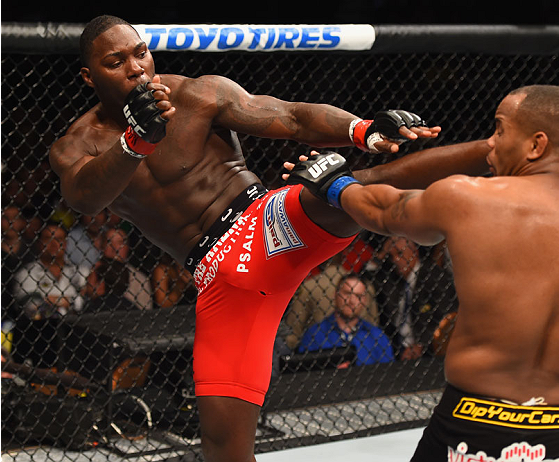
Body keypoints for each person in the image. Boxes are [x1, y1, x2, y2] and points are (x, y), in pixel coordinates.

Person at [48, 14, 492, 462]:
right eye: (115, 61)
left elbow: (290, 116)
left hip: (260, 220)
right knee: (223, 450)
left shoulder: (195, 94)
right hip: (217, 278)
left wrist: (360, 129)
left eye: (140, 52)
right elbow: (84, 196)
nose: (135, 68)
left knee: (352, 188)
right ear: (89, 76)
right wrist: (134, 142)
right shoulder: (78, 144)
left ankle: (491, 151)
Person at [286, 85, 559, 461]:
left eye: (500, 130)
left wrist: (335, 183)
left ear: (536, 146)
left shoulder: (470, 198)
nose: (490, 145)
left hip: (475, 420)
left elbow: (382, 210)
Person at [370, 236, 458, 361]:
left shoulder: (434, 277)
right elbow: (366, 278)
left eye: (400, 253)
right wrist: (380, 256)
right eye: (391, 256)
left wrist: (422, 344)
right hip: (396, 348)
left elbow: (446, 315)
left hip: (429, 349)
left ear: (414, 252)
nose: (396, 259)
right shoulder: (390, 279)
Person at [298, 273, 394, 367]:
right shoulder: (314, 335)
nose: (352, 301)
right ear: (335, 294)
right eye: (347, 293)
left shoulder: (377, 337)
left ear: (364, 300)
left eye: (358, 296)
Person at [12, 222, 88, 319]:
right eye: (48, 239)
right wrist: (72, 301)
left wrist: (49, 300)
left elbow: (89, 304)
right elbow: (33, 307)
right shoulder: (26, 273)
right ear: (39, 243)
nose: (53, 243)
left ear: (65, 243)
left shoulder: (81, 272)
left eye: (59, 239)